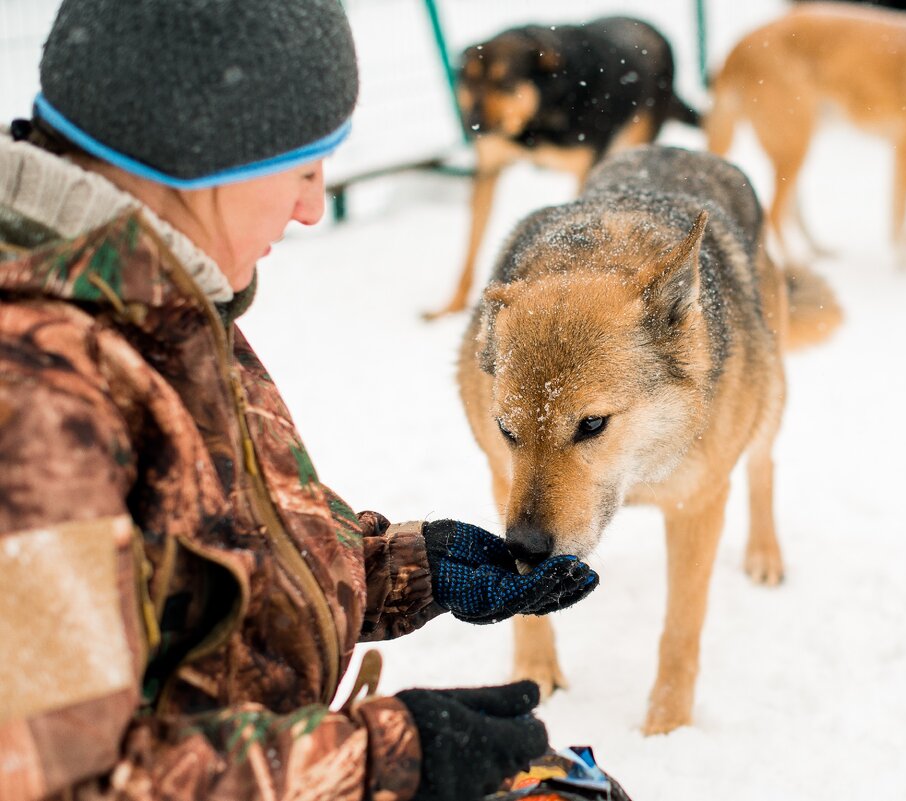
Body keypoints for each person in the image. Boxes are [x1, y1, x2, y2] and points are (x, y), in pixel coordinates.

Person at [0, 2, 606, 799]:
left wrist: (402, 568)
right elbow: (57, 780)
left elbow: (198, 558)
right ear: (202, 154)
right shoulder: (35, 400)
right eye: (301, 169)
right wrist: (386, 761)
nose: (313, 207)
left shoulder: (156, 294)